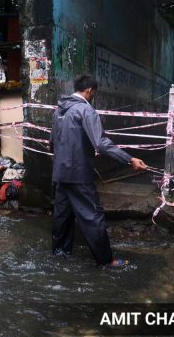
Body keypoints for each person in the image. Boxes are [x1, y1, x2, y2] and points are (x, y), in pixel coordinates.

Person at [50, 75, 148, 267]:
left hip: (60, 173)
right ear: (89, 91)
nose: (93, 95)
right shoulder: (86, 110)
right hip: (79, 174)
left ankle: (60, 254)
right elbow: (101, 143)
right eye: (94, 93)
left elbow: (52, 142)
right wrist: (130, 159)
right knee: (92, 216)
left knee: (62, 215)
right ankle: (106, 260)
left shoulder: (59, 110)